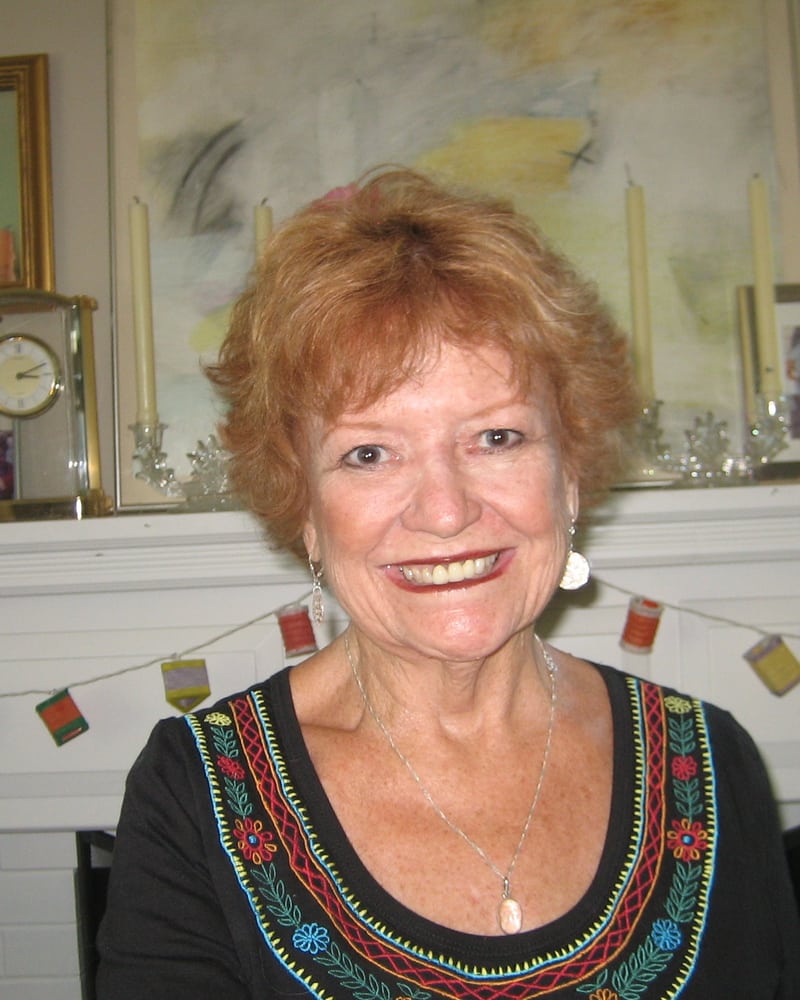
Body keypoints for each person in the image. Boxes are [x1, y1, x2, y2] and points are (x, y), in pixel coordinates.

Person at [97, 168, 799, 998]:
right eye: (369, 453)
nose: (445, 511)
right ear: (306, 508)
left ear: (570, 473)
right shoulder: (197, 793)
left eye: (497, 437)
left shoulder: (708, 764)